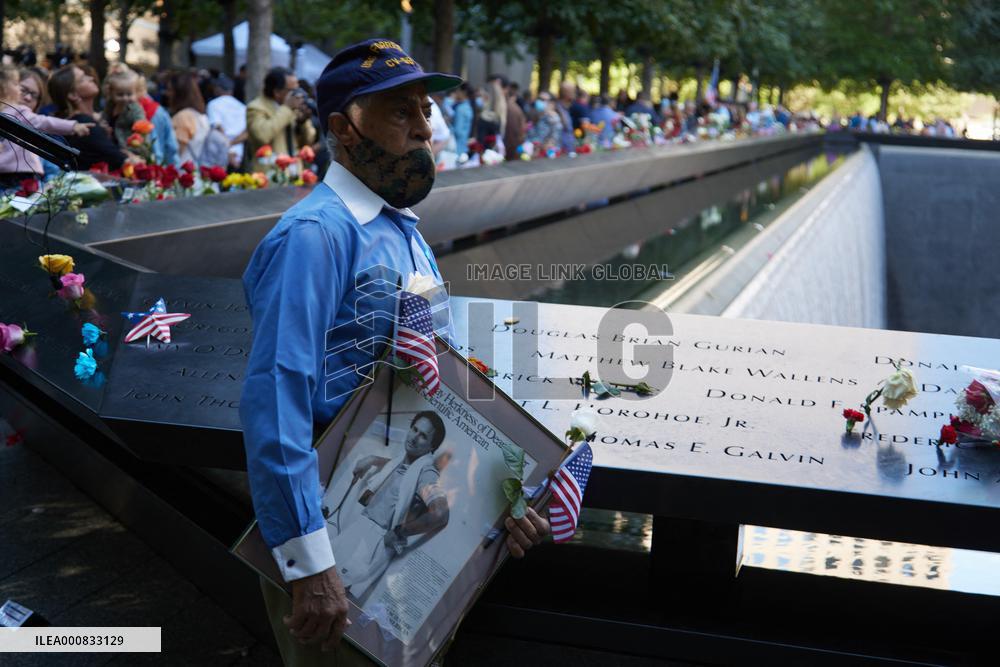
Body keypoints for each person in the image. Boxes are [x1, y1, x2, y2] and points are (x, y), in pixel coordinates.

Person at [240, 38, 549, 665]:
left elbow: (441, 383)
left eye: (425, 109)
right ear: (343, 130)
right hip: (334, 550)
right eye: (400, 111)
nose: (425, 126)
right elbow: (277, 401)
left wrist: (506, 498)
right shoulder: (315, 236)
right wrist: (309, 564)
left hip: (407, 546)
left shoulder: (401, 230)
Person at [326, 411, 450, 603]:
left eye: (423, 435)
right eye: (414, 429)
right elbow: (401, 472)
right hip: (358, 529)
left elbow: (440, 514)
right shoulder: (403, 460)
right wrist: (373, 460)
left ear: (432, 446)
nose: (415, 438)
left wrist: (400, 531)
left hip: (373, 541)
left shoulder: (426, 471)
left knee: (334, 596)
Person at [0, 65, 91, 188]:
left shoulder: (6, 111)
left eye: (34, 95)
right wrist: (72, 126)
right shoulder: (17, 110)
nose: (26, 96)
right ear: (5, 88)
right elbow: (42, 121)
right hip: (22, 175)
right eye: (20, 87)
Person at [46, 65, 125, 171]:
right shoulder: (84, 124)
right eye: (83, 79)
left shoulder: (81, 120)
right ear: (73, 95)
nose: (92, 78)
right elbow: (119, 159)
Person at [245, 67, 316, 171]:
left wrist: (302, 123)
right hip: (271, 175)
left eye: (298, 89)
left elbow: (308, 142)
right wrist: (287, 108)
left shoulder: (294, 106)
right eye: (293, 90)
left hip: (295, 172)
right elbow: (262, 136)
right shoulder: (256, 108)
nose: (297, 94)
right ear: (277, 92)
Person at [167, 71, 228, 168]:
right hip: (196, 172)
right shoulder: (200, 115)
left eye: (170, 90)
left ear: (180, 93)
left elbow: (176, 151)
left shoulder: (182, 117)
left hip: (182, 173)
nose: (167, 94)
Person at [206, 75, 248, 168]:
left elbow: (218, 128)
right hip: (238, 152)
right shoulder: (242, 107)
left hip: (219, 151)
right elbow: (246, 132)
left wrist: (227, 149)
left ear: (218, 88)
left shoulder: (213, 104)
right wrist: (231, 146)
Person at [103, 70, 146, 149]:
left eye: (129, 94)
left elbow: (141, 130)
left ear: (136, 92)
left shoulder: (136, 110)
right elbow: (104, 118)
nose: (125, 98)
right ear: (111, 93)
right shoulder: (110, 105)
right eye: (120, 94)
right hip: (111, 145)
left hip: (129, 149)